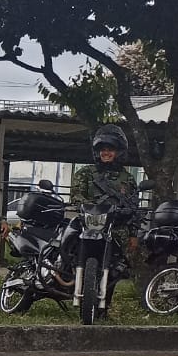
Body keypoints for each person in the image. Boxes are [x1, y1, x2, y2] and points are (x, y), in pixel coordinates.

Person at [69, 124, 141, 310]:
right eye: (103, 150)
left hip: (116, 228)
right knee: (67, 245)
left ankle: (105, 304)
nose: (106, 153)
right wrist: (89, 207)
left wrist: (134, 234)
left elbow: (134, 207)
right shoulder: (86, 173)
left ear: (118, 152)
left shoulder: (127, 178)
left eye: (110, 150)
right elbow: (76, 196)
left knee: (118, 267)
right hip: (89, 224)